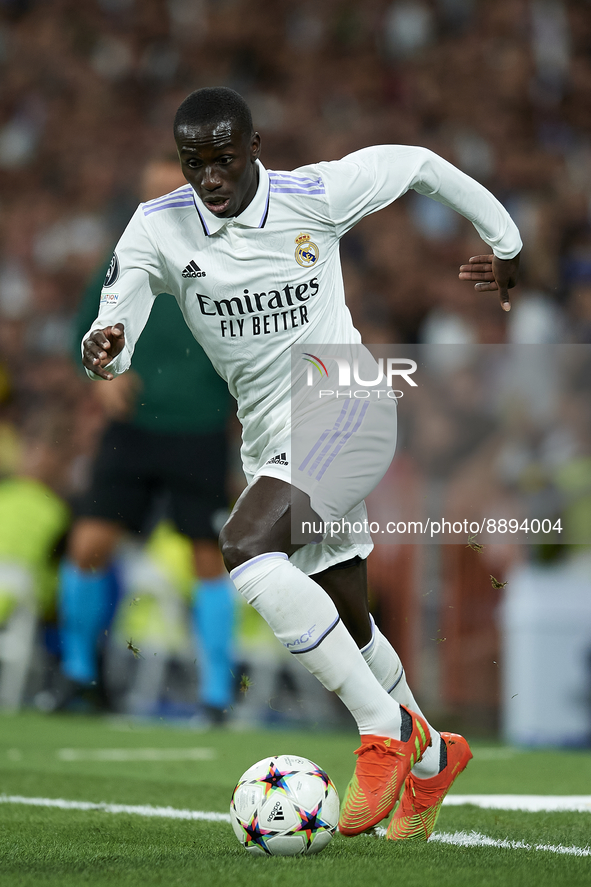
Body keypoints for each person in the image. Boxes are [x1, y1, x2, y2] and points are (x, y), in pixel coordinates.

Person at [81, 87, 521, 841]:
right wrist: (103, 350)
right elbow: (111, 323)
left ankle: (383, 731)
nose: (210, 179)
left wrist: (506, 245)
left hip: (344, 403)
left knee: (245, 549)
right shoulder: (158, 226)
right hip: (271, 438)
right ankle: (431, 758)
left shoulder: (314, 194)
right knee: (348, 623)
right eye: (195, 164)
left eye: (223, 160)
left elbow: (417, 163)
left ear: (253, 147)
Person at [60, 158, 236, 721]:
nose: (159, 203)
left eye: (170, 190)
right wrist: (99, 378)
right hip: (132, 427)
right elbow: (84, 334)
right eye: (150, 193)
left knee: (209, 558)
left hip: (200, 427)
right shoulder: (124, 258)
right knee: (88, 545)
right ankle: (78, 677)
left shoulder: (232, 253)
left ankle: (216, 696)